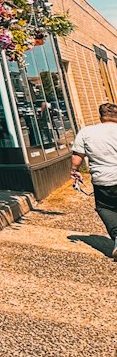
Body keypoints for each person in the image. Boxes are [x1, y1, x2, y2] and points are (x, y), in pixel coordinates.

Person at [71, 102, 117, 260]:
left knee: (106, 208)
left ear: (101, 116)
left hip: (103, 180)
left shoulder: (87, 132)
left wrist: (74, 171)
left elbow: (77, 156)